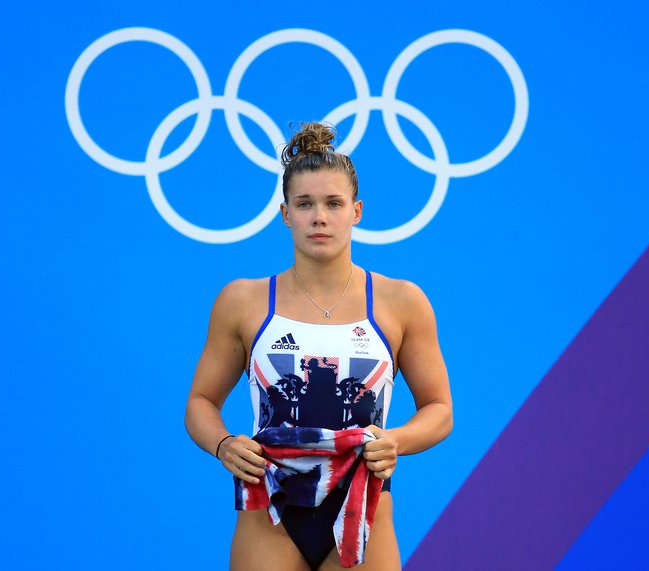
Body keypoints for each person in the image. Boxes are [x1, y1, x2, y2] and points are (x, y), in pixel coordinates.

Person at [185, 122, 453, 570]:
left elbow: (440, 409)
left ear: (356, 211)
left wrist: (396, 440)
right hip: (269, 508)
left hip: (362, 504)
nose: (319, 217)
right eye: (305, 204)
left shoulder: (402, 302)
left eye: (333, 203)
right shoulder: (242, 301)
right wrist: (223, 444)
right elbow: (200, 401)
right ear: (285, 213)